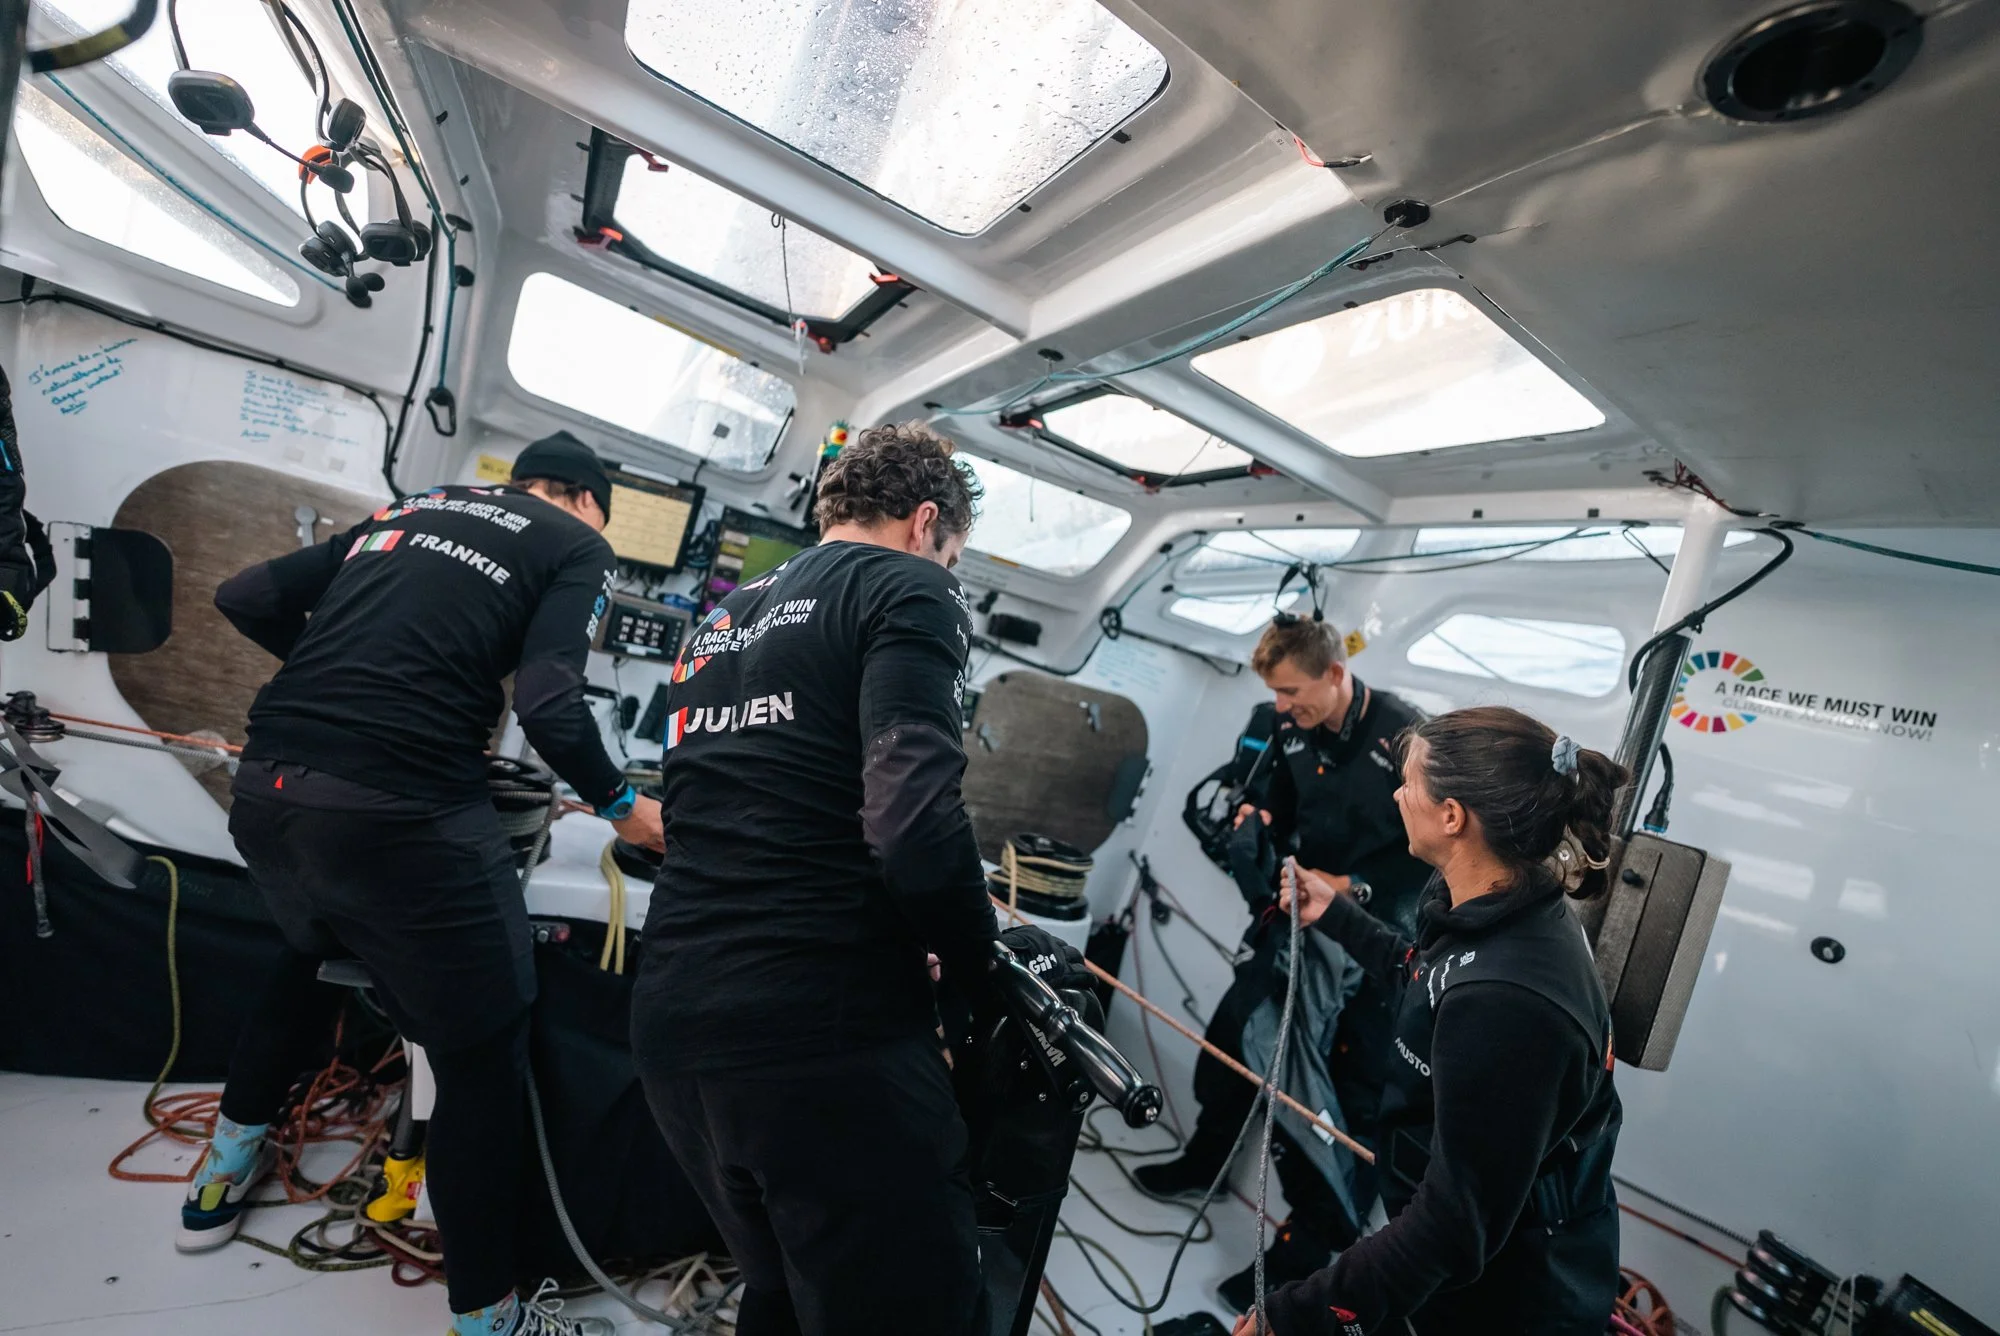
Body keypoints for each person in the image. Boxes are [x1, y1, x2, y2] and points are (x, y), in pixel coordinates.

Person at [180, 430, 664, 1336]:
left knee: (306, 955)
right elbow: (551, 703)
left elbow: (242, 594)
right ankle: (489, 1314)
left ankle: (219, 1177)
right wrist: (626, 806)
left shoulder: (413, 507)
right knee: (483, 1053)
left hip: (270, 791)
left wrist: (338, 679)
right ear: (587, 499)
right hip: (400, 818)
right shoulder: (577, 544)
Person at [630, 421, 1075, 1336]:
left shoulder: (719, 622)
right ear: (926, 525)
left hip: (674, 1023)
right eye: (953, 554)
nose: (947, 569)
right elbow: (911, 821)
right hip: (819, 1039)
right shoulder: (911, 587)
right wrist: (974, 971)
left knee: (787, 1289)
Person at [1235, 706, 1627, 1336]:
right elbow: (1426, 981)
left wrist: (1292, 1318)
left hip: (1504, 1305)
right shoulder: (1494, 905)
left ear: (1452, 816)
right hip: (1455, 1269)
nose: (1397, 793)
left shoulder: (1510, 1000)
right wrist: (1335, 912)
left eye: (1410, 783)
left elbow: (1451, 1227)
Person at [1139, 615, 1430, 1307]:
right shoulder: (1290, 727)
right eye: (1273, 694)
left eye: (1293, 692)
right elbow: (1271, 793)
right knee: (1235, 1037)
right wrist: (1259, 821)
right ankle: (1203, 1158)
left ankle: (1303, 1254)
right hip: (1293, 921)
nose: (1281, 707)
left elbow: (1430, 863)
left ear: (1336, 673)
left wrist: (1351, 890)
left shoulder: (1409, 739)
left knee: (1340, 1101)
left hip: (1370, 945)